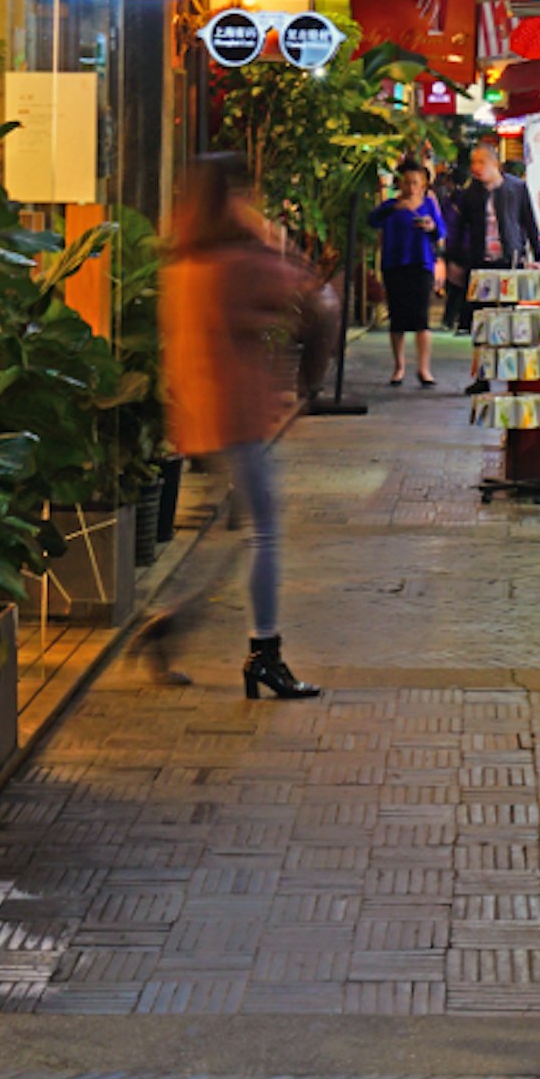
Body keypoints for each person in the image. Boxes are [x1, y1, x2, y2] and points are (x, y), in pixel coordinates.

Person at [162, 155, 323, 702]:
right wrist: (306, 383)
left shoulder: (185, 260)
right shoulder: (238, 261)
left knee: (230, 534)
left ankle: (171, 625)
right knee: (264, 532)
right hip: (237, 416)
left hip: (199, 416)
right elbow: (316, 298)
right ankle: (265, 654)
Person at [446, 139, 540, 390]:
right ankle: (482, 377)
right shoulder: (470, 195)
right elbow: (458, 229)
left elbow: (529, 223)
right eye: (473, 163)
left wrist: (537, 257)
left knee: (511, 321)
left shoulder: (517, 188)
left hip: (510, 263)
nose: (476, 168)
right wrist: (453, 260)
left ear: (495, 163)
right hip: (480, 265)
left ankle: (514, 377)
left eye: (482, 162)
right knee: (482, 323)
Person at [372, 157, 447, 387]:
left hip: (421, 263)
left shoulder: (429, 205)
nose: (411, 187)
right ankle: (399, 367)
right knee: (397, 318)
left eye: (416, 182)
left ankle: (424, 369)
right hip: (394, 264)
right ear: (400, 184)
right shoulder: (390, 206)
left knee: (421, 318)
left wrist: (430, 227)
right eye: (407, 182)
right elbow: (371, 220)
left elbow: (441, 231)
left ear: (423, 184)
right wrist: (395, 207)